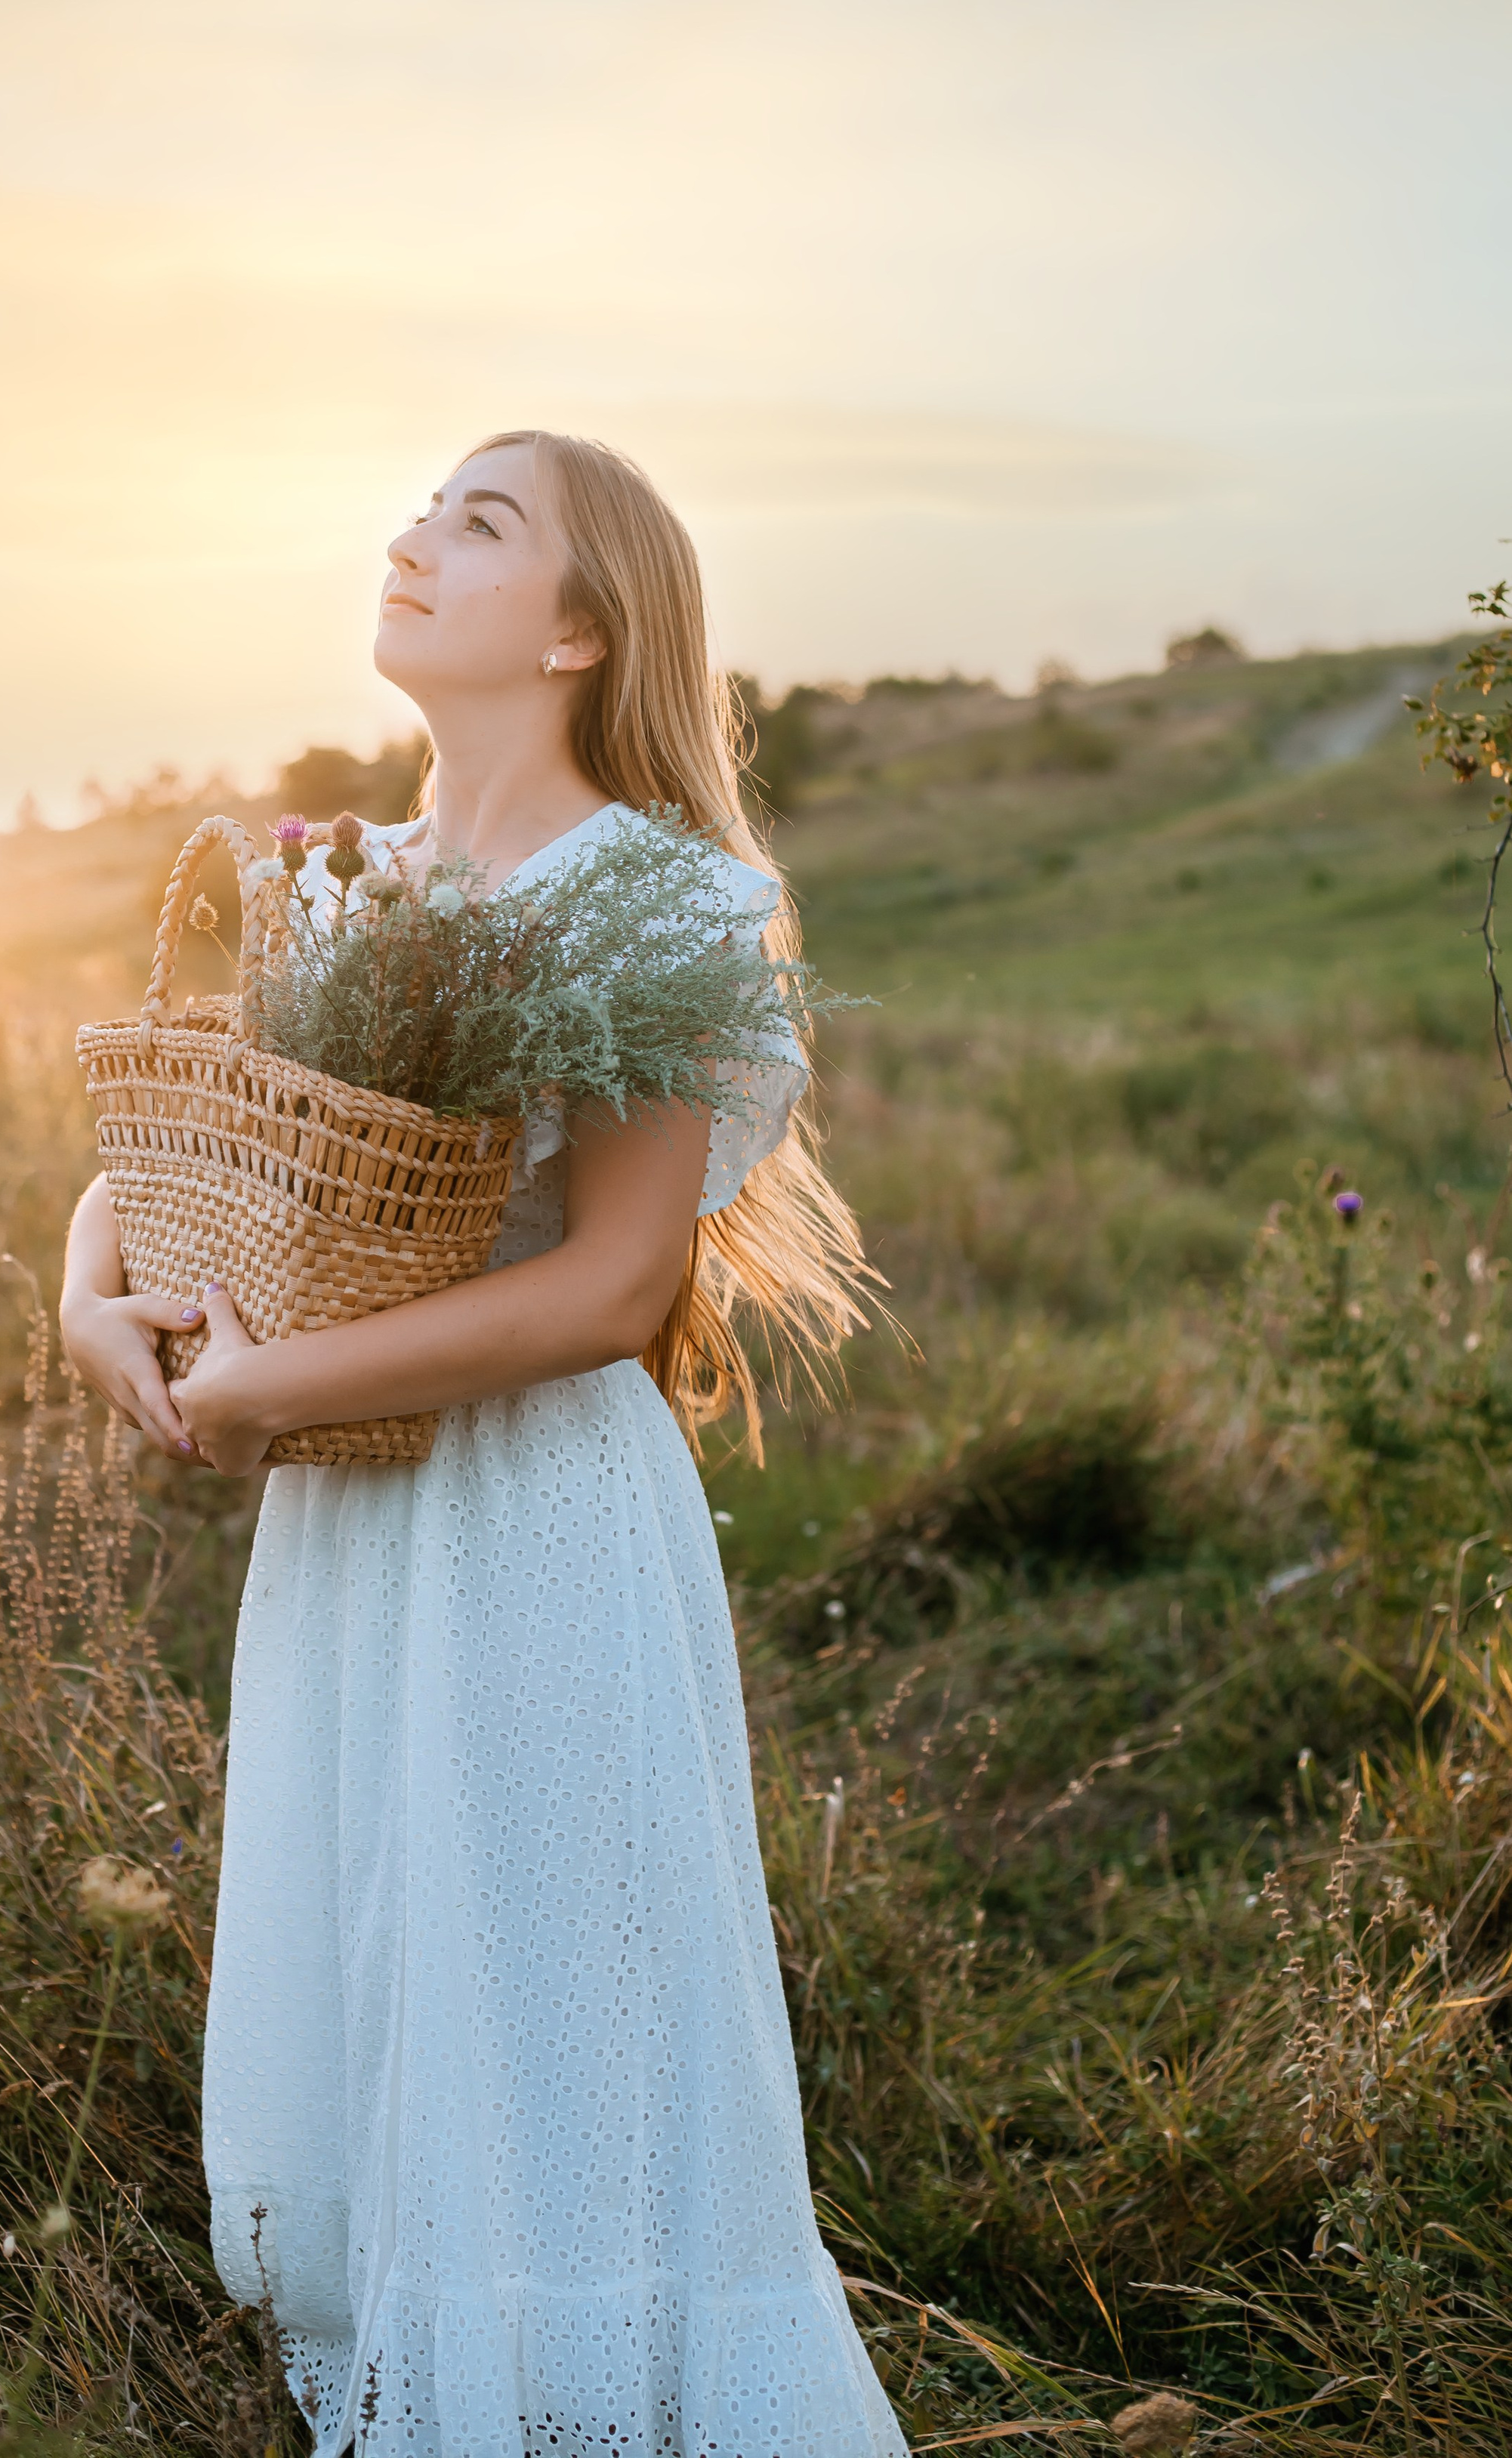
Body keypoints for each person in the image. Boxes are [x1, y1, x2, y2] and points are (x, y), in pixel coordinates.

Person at [60, 431, 909, 2456]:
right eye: (425, 507)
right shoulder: (354, 886)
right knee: (390, 1960)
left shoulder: (651, 897)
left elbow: (617, 1286)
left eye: (481, 523)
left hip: (529, 1512)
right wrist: (91, 1293)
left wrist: (264, 1392)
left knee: (544, 1989)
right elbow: (183, 1141)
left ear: (585, 630)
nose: (415, 539)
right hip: (355, 1531)